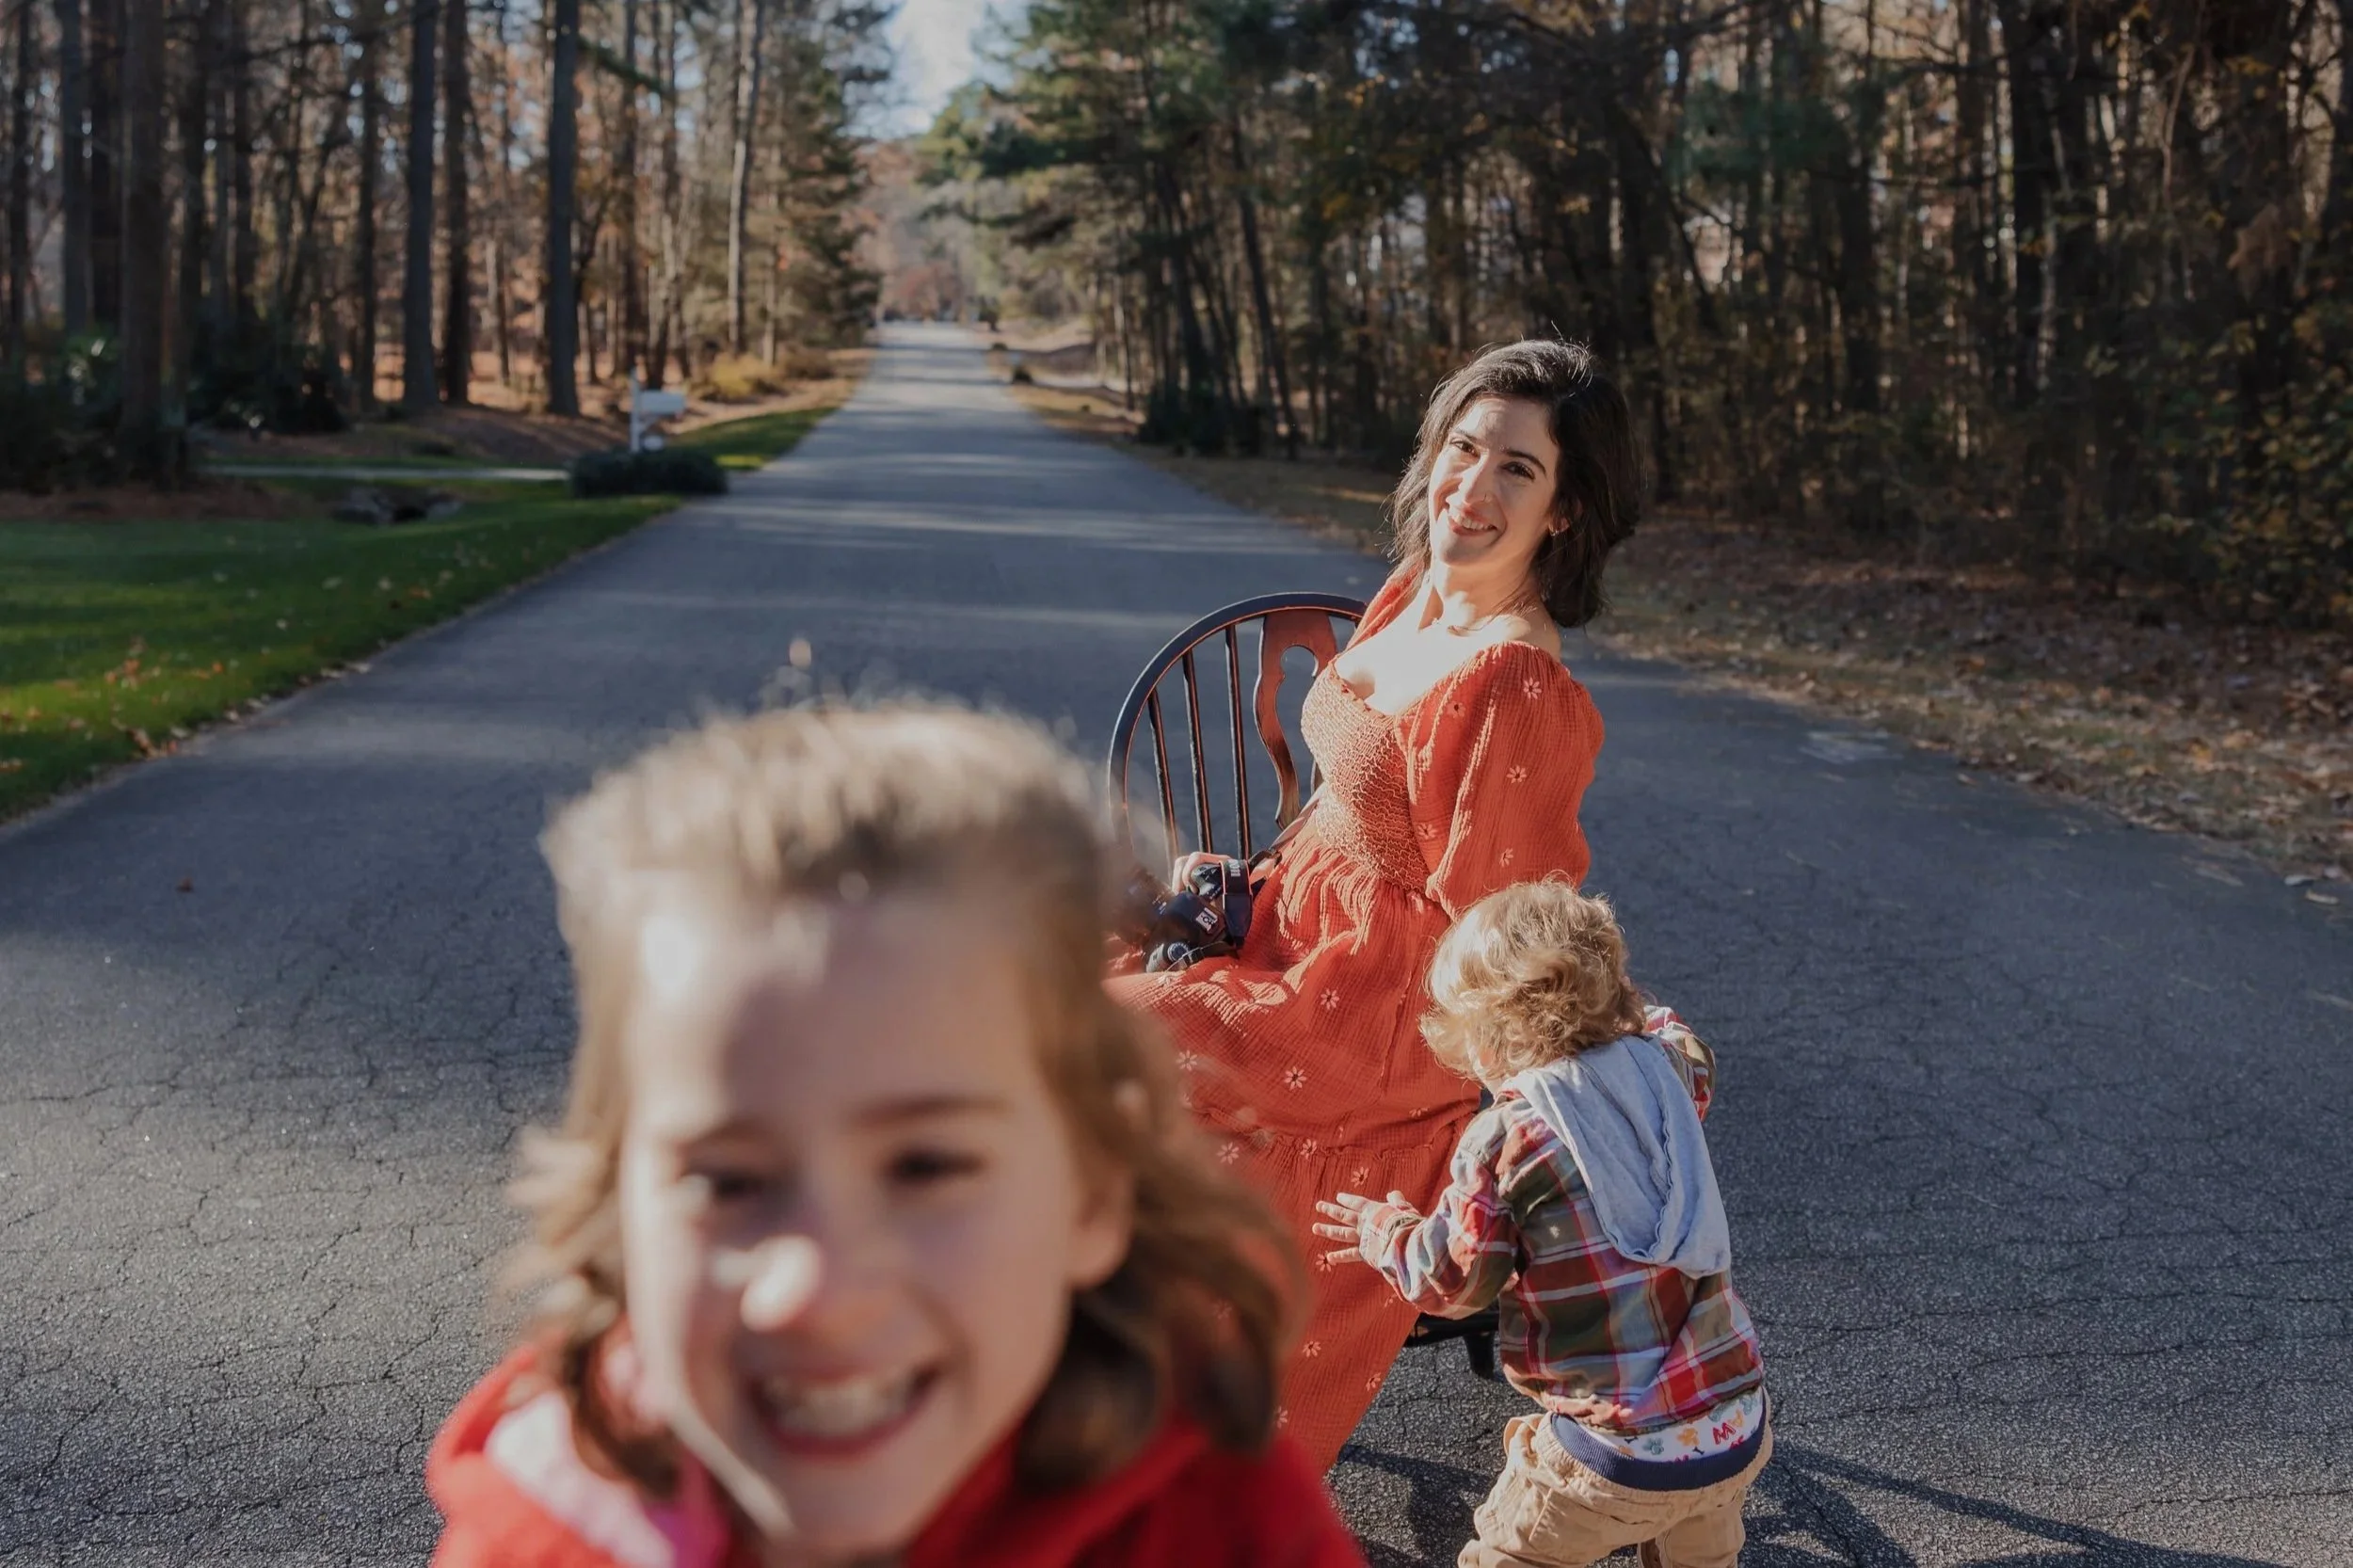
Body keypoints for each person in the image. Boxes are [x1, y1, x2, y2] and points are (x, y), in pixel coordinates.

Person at [427, 704, 1369, 1568]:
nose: (814, 1293)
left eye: (925, 1165)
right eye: (727, 1180)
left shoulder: (1217, 1517)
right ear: (617, 1206)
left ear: (1092, 1189)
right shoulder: (534, 1533)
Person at [1111, 339, 1643, 1466]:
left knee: (1094, 1041)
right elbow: (1366, 806)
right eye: (1464, 449)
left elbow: (1501, 929)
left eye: (1517, 469)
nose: (1473, 485)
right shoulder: (1411, 590)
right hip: (1288, 925)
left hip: (1380, 1009)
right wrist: (1246, 890)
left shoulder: (1513, 682)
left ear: (1564, 511)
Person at [1315, 880, 1767, 1568]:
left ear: (1487, 1040)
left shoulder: (1508, 1139)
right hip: (1735, 1423)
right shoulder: (1664, 1070)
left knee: (1513, 1554)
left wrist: (1390, 1232)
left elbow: (1456, 1284)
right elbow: (1686, 1045)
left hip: (1612, 1458)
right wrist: (1623, 1006)